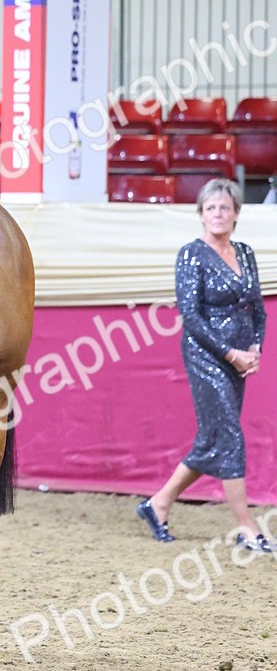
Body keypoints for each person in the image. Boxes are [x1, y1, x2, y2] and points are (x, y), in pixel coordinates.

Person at [136, 178, 269, 550]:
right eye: (210, 208)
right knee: (230, 438)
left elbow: (257, 309)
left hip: (241, 360)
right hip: (206, 358)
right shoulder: (190, 254)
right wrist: (231, 354)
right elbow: (191, 317)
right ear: (200, 215)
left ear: (237, 213)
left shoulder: (245, 253)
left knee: (213, 440)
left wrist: (255, 348)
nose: (218, 214)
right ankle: (247, 529)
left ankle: (157, 504)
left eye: (224, 207)